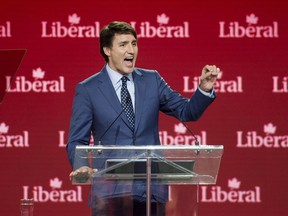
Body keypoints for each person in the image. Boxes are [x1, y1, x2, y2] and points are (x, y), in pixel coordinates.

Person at [66, 21, 220, 216]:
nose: (131, 50)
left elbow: (186, 111)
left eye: (134, 43)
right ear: (107, 50)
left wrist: (204, 90)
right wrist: (81, 167)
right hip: (110, 193)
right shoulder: (88, 89)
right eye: (123, 45)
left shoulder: (151, 80)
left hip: (151, 191)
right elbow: (77, 140)